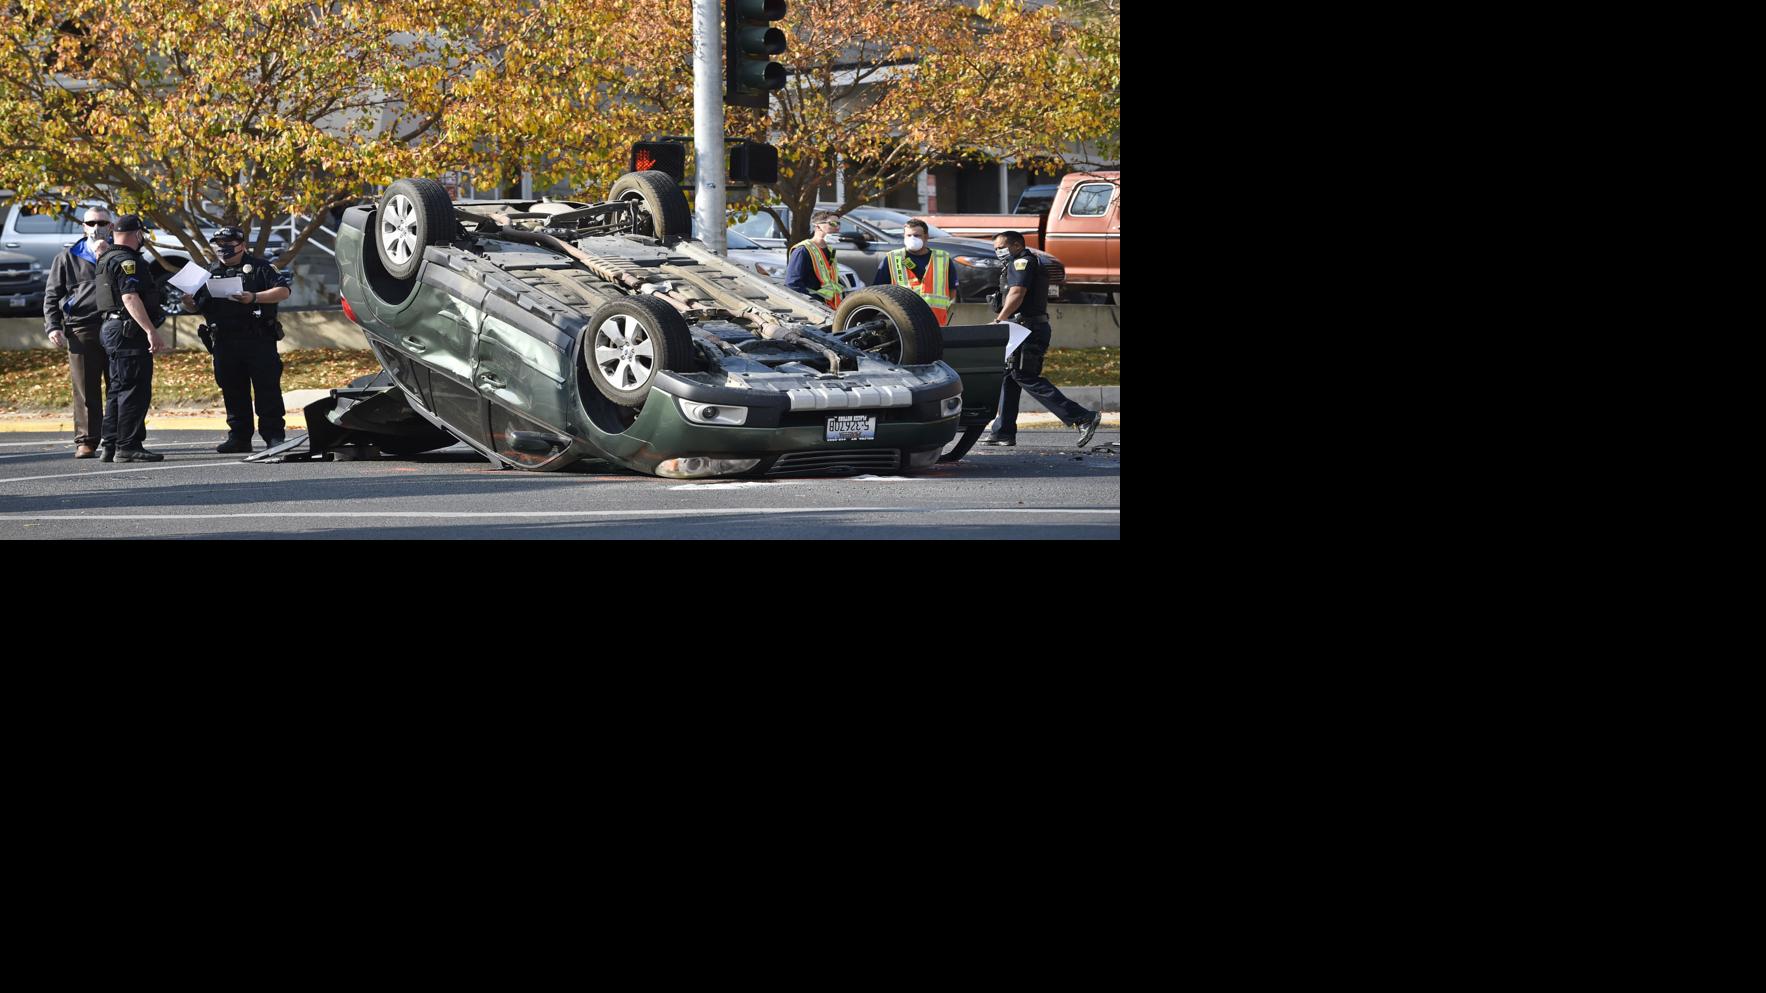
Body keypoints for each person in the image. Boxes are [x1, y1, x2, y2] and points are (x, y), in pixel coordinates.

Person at [978, 230, 1102, 448]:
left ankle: (1082, 417)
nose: (998, 252)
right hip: (1023, 327)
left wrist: (999, 320)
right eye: (995, 248)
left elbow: (1017, 292)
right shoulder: (1025, 262)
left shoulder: (1022, 262)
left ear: (1016, 245)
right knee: (1009, 376)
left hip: (1027, 328)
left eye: (1001, 247)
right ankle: (1003, 432)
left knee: (1024, 375)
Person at [182, 226, 292, 453]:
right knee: (232, 390)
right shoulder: (206, 272)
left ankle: (274, 436)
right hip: (224, 341)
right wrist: (189, 302)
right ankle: (239, 437)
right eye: (218, 244)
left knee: (267, 390)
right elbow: (197, 305)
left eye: (228, 244)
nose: (222, 249)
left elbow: (283, 291)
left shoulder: (260, 268)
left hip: (257, 339)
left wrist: (253, 297)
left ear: (241, 245)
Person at [92, 214, 170, 462]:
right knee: (134, 389)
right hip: (128, 331)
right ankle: (128, 445)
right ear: (137, 234)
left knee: (118, 388)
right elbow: (129, 297)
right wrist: (150, 330)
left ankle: (111, 444)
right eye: (142, 234)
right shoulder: (127, 261)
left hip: (112, 329)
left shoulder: (106, 258)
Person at [43, 207, 113, 458]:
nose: (97, 227)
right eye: (91, 223)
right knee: (85, 388)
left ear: (111, 226)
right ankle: (87, 440)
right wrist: (53, 326)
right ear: (83, 227)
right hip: (81, 327)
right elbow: (52, 295)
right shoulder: (67, 256)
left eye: (102, 222)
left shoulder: (121, 253)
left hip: (117, 326)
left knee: (119, 385)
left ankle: (118, 439)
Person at [870, 218, 954, 326]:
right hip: (905, 323)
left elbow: (952, 291)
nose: (912, 239)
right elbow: (878, 291)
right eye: (908, 236)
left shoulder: (942, 258)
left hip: (936, 323)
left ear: (926, 237)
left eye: (917, 235)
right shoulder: (893, 258)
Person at [786, 210, 845, 307]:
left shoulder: (830, 250)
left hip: (831, 306)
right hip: (813, 308)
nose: (837, 227)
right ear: (818, 226)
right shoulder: (802, 250)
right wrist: (815, 303)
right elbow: (793, 285)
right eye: (833, 223)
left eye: (839, 224)